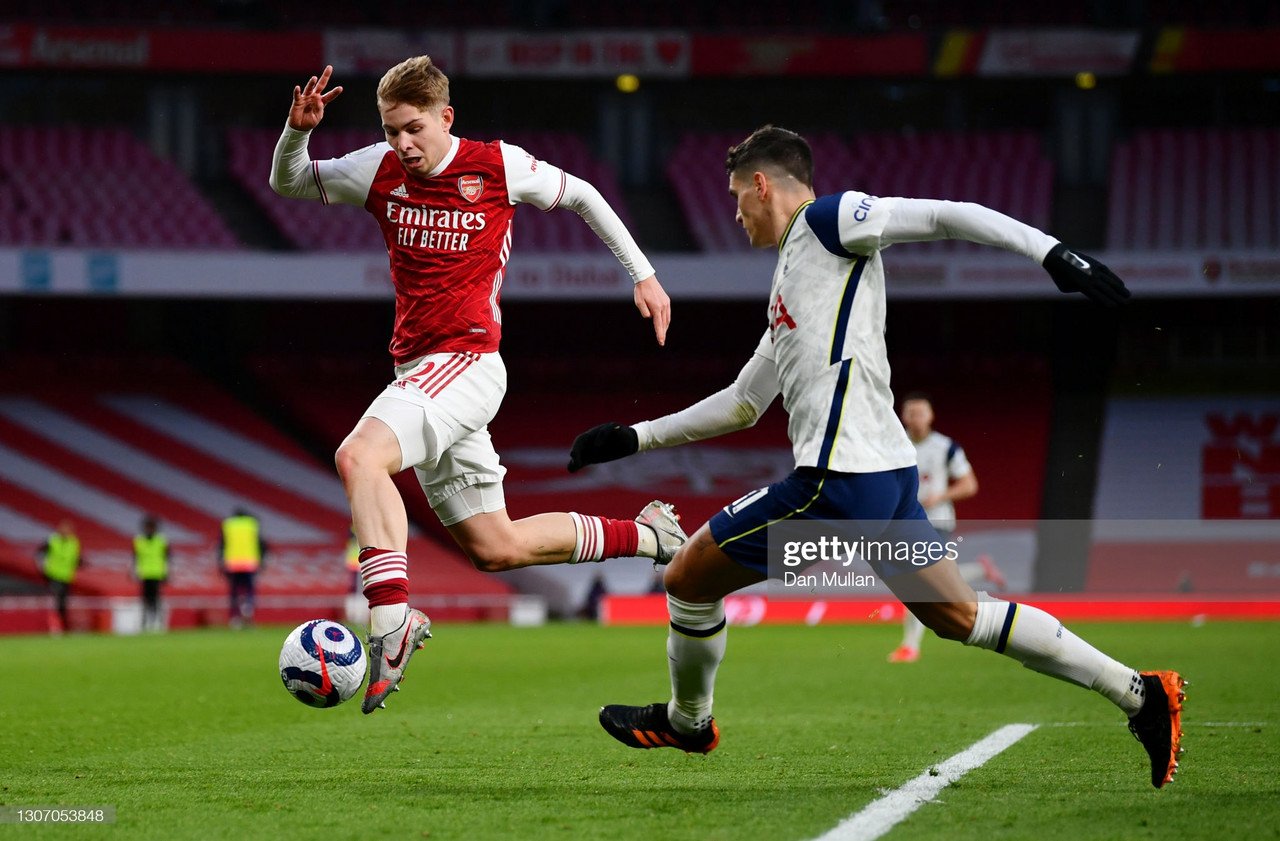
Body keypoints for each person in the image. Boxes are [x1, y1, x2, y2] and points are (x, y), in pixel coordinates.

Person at [566, 126, 1185, 789]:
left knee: (687, 576)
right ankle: (1141, 692)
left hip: (838, 486)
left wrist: (1051, 252)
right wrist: (636, 436)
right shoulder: (793, 279)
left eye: (735, 195)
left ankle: (689, 722)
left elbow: (948, 215)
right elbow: (746, 401)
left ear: (762, 184)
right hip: (885, 486)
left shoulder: (830, 221)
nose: (733, 210)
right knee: (959, 614)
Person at [270, 57, 686, 714]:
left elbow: (582, 193)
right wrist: (298, 132)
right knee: (496, 546)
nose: (403, 143)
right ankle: (648, 534)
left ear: (446, 118)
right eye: (391, 129)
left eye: (413, 129)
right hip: (421, 373)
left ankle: (389, 622)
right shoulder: (377, 167)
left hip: (468, 362)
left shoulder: (496, 165)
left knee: (359, 455)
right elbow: (290, 181)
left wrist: (643, 274)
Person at [887, 393, 1005, 663]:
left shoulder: (946, 447)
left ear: (931, 416)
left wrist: (939, 496)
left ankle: (910, 646)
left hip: (936, 520)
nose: (916, 419)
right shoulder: (892, 444)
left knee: (920, 578)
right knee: (930, 579)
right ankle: (980, 570)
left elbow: (969, 484)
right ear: (903, 417)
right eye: (911, 413)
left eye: (921, 413)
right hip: (902, 520)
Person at [219, 508, 266, 629]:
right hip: (249, 562)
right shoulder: (252, 524)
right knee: (249, 590)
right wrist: (262, 560)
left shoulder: (228, 525)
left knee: (234, 592)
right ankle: (248, 609)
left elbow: (222, 544)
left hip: (232, 563)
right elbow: (261, 543)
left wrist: (220, 562)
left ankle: (235, 618)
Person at [37, 519, 81, 634]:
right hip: (53, 575)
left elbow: (76, 558)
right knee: (56, 600)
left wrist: (79, 563)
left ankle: (63, 627)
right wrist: (44, 569)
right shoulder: (52, 540)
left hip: (67, 576)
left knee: (63, 602)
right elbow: (40, 554)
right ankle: (55, 627)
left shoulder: (74, 542)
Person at [133, 514, 169, 632]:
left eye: (151, 527)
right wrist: (134, 571)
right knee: (145, 600)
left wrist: (166, 573)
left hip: (157, 573)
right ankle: (145, 623)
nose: (149, 529)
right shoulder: (139, 540)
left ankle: (157, 623)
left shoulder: (161, 541)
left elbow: (167, 558)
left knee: (156, 600)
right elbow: (135, 558)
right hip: (144, 573)